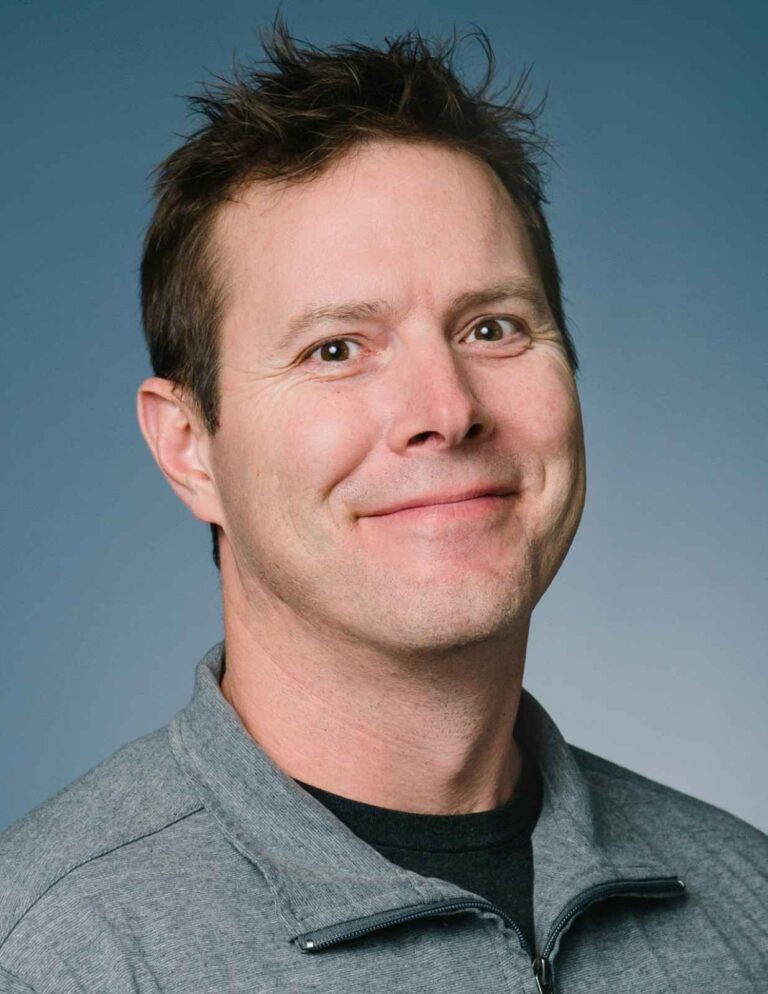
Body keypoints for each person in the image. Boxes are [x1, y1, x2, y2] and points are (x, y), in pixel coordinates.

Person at [1, 20, 766, 994]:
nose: (446, 410)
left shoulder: (748, 901)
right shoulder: (48, 958)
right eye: (337, 349)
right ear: (189, 447)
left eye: (492, 327)